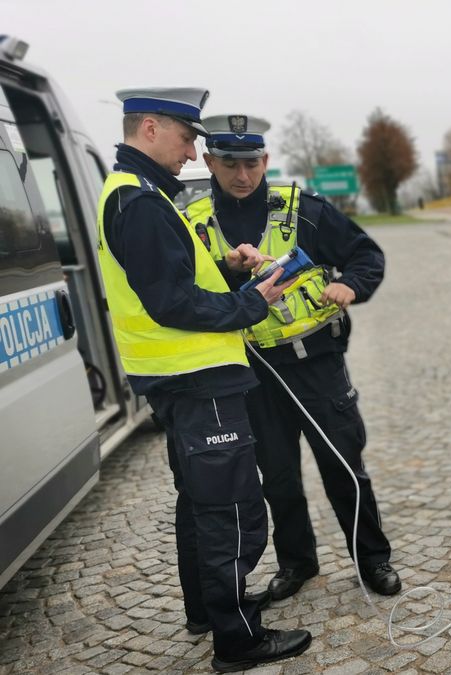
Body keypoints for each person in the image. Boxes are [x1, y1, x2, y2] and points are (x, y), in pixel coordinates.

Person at [96, 88, 311, 672]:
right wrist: (253, 303)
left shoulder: (139, 195)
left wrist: (228, 269)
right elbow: (172, 303)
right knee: (232, 510)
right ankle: (237, 638)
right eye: (187, 137)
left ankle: (205, 613)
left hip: (181, 377)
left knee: (198, 504)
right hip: (197, 377)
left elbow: (177, 278)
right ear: (148, 129)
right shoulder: (139, 202)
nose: (193, 153)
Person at [185, 114, 399, 600]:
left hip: (317, 363)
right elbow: (187, 290)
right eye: (230, 164)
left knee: (344, 468)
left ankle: (373, 561)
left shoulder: (305, 210)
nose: (243, 176)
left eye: (252, 163)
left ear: (266, 160)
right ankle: (297, 564)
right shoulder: (194, 224)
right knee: (277, 477)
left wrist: (351, 284)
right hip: (253, 372)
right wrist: (227, 268)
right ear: (209, 161)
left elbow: (367, 255)